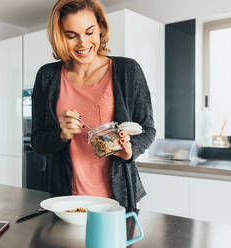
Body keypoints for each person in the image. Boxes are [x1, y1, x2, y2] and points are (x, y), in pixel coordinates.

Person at [31, 0, 156, 210]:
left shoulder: (127, 71)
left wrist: (128, 151)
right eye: (71, 35)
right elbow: (38, 142)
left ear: (100, 28)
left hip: (118, 199)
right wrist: (61, 135)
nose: (82, 43)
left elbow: (148, 129)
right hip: (66, 199)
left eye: (89, 32)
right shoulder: (47, 77)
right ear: (60, 36)